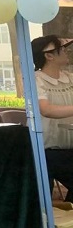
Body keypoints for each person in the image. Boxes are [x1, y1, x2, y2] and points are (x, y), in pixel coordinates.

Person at [32, 35, 73, 202]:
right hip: (47, 150)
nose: (66, 51)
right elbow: (46, 109)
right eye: (61, 49)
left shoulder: (70, 77)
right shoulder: (36, 79)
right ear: (48, 55)